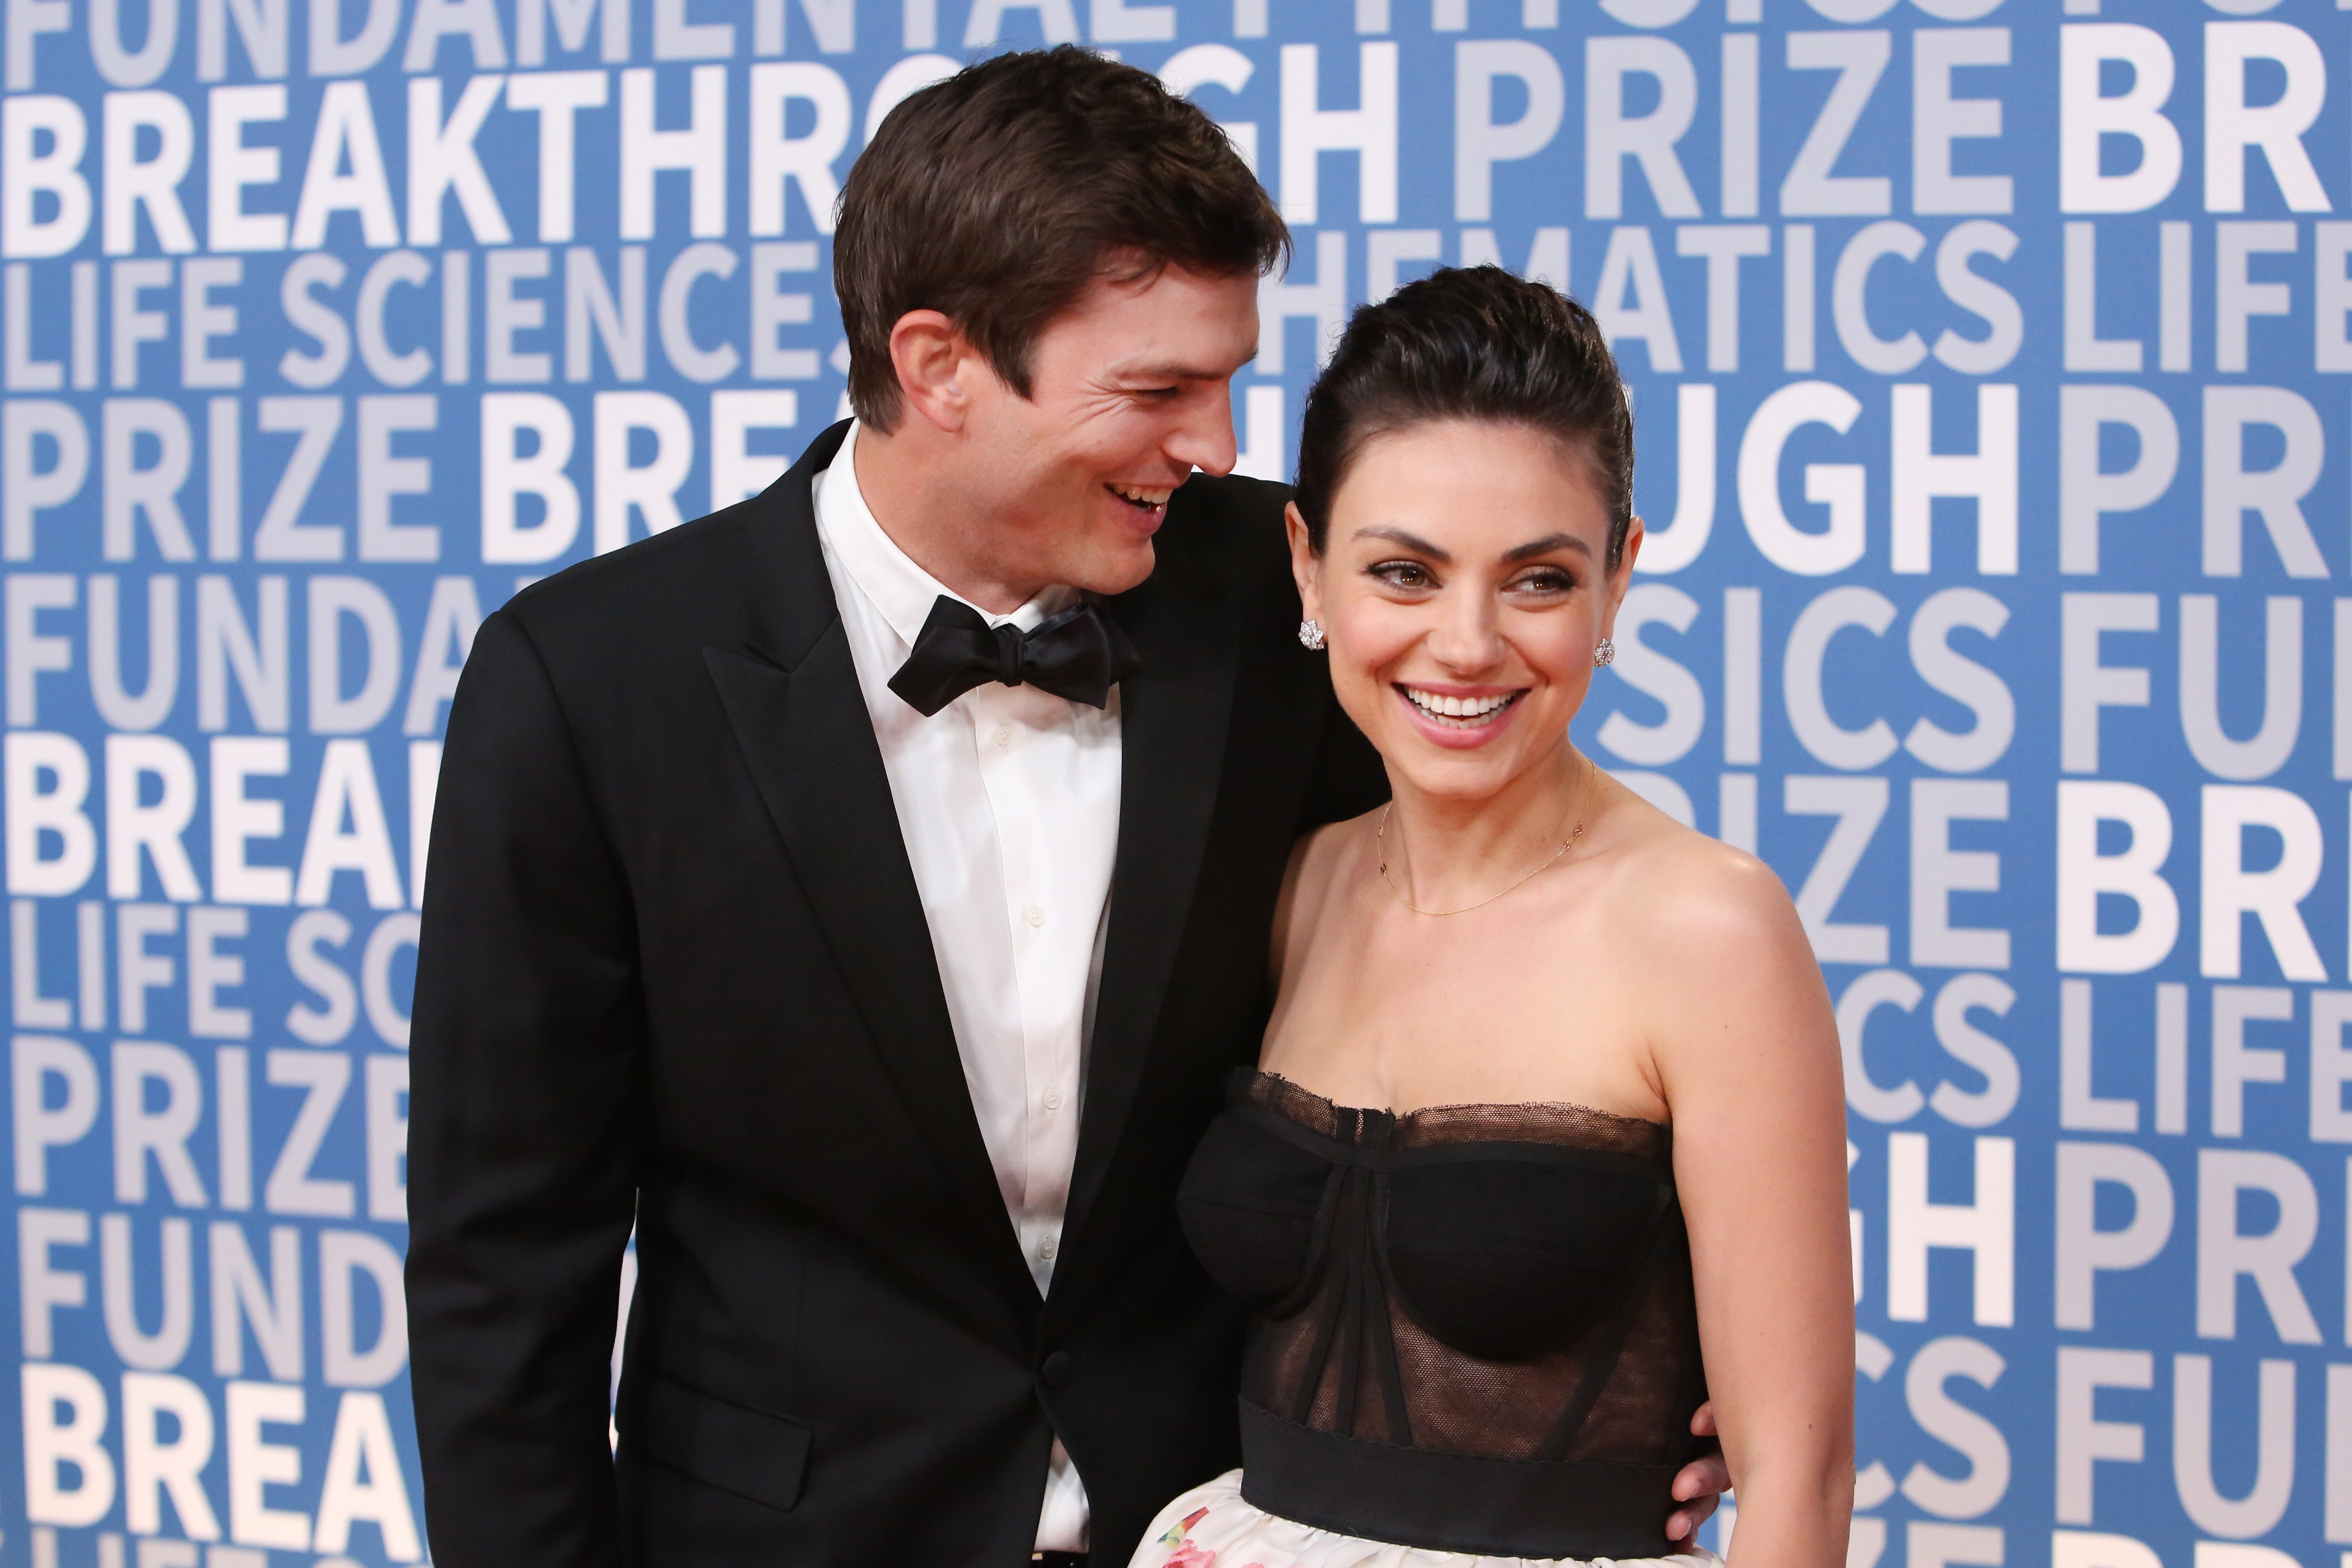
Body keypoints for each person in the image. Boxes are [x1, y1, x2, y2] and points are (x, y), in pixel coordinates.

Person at [406, 48, 1733, 1568]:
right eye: (1157, 390)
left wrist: (1627, 1383)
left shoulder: (1287, 594)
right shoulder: (590, 685)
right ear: (940, 365)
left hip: (1225, 1525)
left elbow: (1519, 943)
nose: (1218, 446)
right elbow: (506, 1278)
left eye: (1229, 379)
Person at [1135, 268, 1855, 1568]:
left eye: (1537, 580)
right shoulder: (1299, 885)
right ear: (1306, 565)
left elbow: (1797, 1481)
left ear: (1619, 579)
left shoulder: (1707, 930)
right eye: (1404, 573)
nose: (1466, 644)